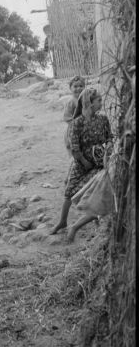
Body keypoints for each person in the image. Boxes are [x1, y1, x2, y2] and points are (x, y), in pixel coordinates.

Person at [50, 88, 112, 236]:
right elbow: (74, 147)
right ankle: (62, 222)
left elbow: (110, 137)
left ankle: (75, 227)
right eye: (98, 101)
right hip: (80, 163)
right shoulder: (77, 123)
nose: (101, 104)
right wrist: (84, 162)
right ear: (89, 103)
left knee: (97, 196)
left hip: (99, 163)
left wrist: (108, 147)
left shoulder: (103, 119)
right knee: (69, 192)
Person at [62, 76, 85, 155]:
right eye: (75, 86)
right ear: (70, 88)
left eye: (81, 86)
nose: (78, 88)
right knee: (75, 150)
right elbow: (66, 117)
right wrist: (76, 124)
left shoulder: (87, 100)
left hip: (86, 128)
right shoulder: (71, 102)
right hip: (74, 130)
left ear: (84, 87)